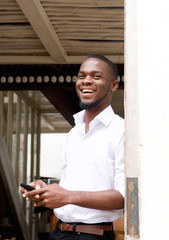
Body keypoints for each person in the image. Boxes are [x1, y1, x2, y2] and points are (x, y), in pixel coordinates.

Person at [21, 54, 125, 240]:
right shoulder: (74, 133)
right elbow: (74, 187)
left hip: (92, 236)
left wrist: (67, 196)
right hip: (59, 234)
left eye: (96, 76)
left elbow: (124, 197)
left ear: (114, 85)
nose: (86, 81)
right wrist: (45, 190)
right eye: (81, 76)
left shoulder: (121, 130)